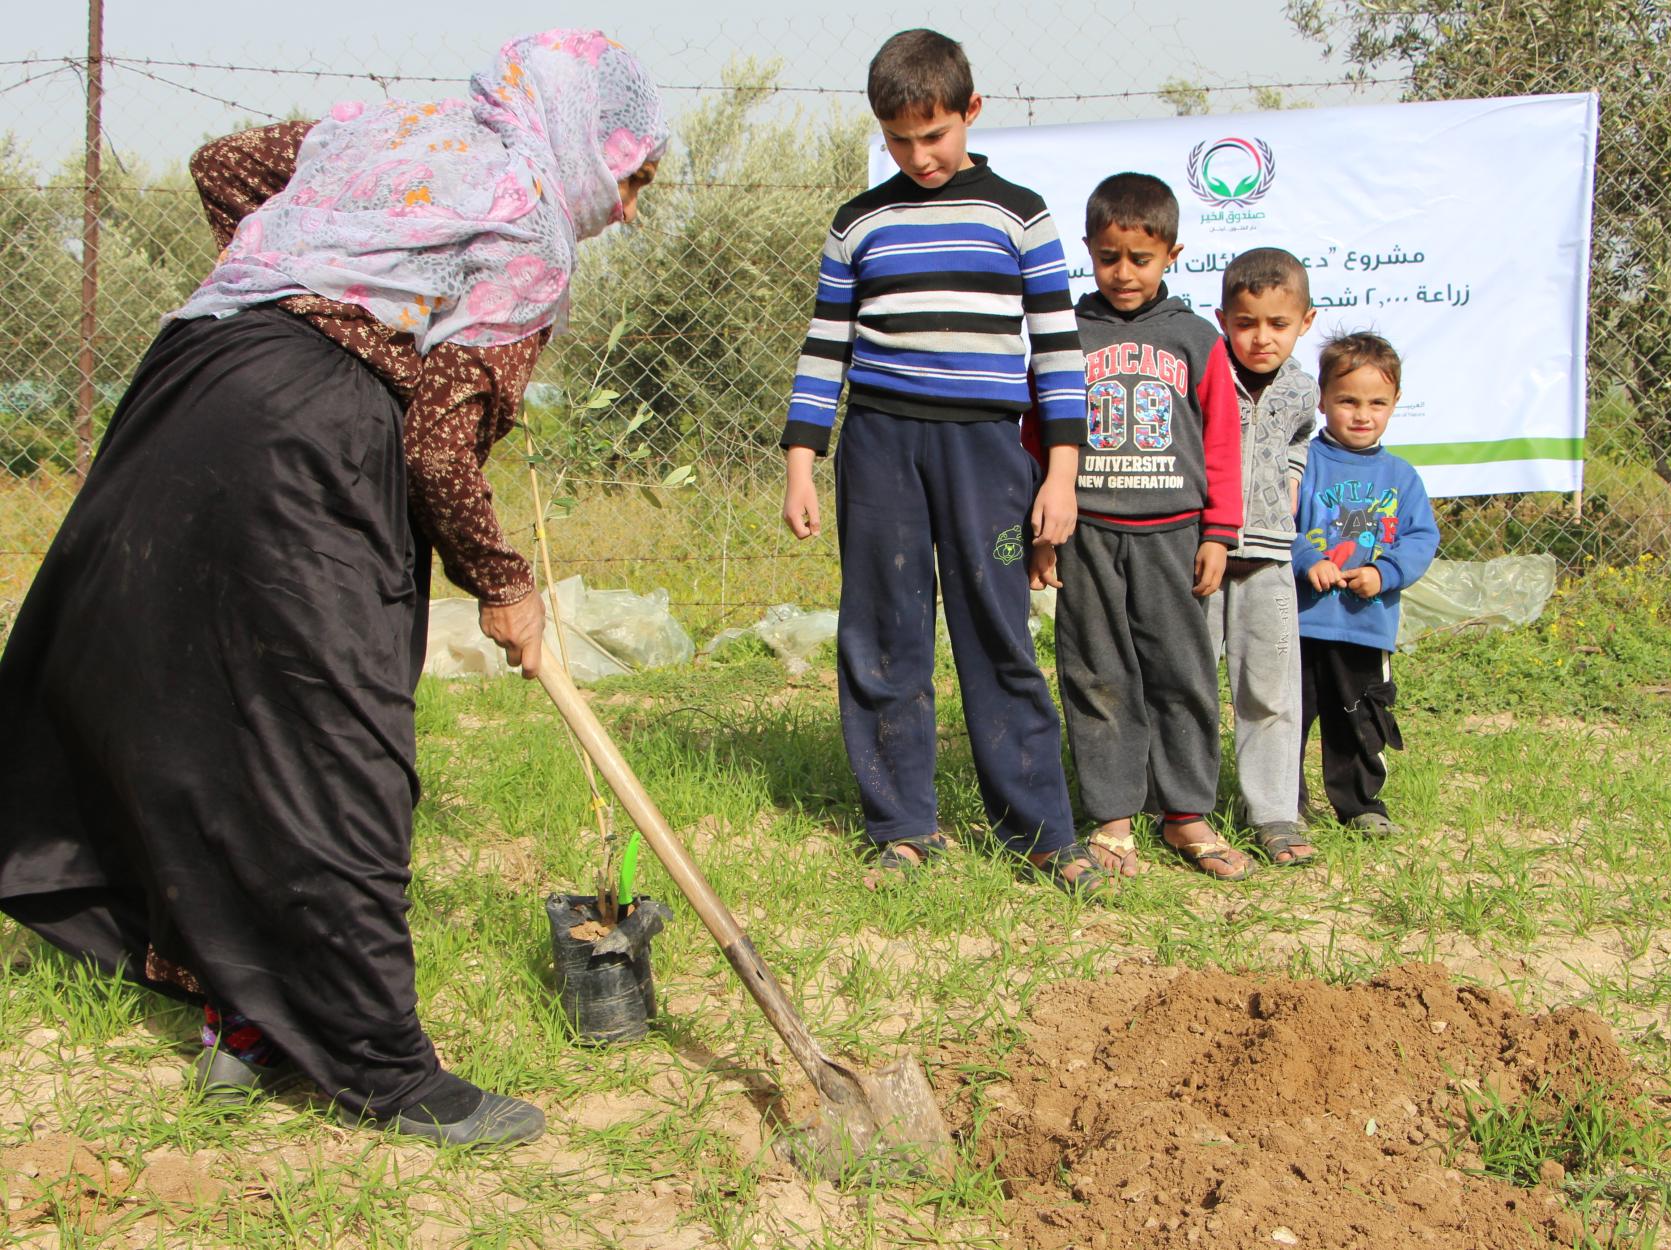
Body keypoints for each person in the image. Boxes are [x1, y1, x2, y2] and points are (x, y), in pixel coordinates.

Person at [0, 30, 668, 1148]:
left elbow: (223, 165)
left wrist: (297, 285)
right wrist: (504, 586)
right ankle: (380, 1066)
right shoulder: (533, 228)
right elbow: (439, 449)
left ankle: (241, 1021)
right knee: (341, 746)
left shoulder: (388, 134)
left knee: (201, 720)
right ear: (582, 141)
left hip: (184, 385)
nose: (627, 208)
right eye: (630, 176)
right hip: (309, 441)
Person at [779, 29, 1107, 894]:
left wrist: (1062, 472)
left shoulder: (1021, 214)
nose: (920, 155)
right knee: (884, 633)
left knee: (997, 629)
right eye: (899, 139)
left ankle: (1038, 830)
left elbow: (1059, 354)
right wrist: (803, 460)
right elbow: (825, 349)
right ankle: (902, 826)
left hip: (990, 457)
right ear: (880, 131)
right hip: (881, 449)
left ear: (970, 112)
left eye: (935, 134)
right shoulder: (859, 223)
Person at [1026, 173, 1253, 880]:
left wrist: (1219, 533)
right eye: (1109, 256)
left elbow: (1222, 441)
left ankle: (1187, 814)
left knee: (1181, 674)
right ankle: (1114, 817)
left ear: (1172, 254)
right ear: (1089, 250)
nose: (1123, 273)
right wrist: (1040, 532)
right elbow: (1038, 436)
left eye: (1141, 258)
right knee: (1097, 675)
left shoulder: (1195, 339)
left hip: (1175, 537)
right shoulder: (1066, 333)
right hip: (1087, 534)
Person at [1292, 332, 1439, 833]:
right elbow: (1274, 522)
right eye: (1347, 400)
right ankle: (1283, 804)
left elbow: (1420, 539)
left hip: (1364, 627)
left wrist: (1384, 573)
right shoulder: (1304, 463)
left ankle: (1360, 806)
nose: (1362, 414)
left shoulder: (1402, 477)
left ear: (1396, 403)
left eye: (1377, 402)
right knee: (1287, 717)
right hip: (1302, 622)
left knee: (1359, 718)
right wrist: (1307, 558)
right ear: (1322, 399)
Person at [1205, 248, 1321, 867]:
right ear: (1223, 318)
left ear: (1305, 321)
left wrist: (1294, 473)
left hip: (1271, 559)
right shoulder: (1206, 372)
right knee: (1190, 682)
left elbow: (1302, 436)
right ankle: (1181, 804)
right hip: (1206, 555)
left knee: (1270, 690)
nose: (1261, 338)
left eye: (1278, 325)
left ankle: (1275, 811)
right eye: (1247, 323)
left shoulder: (1303, 387)